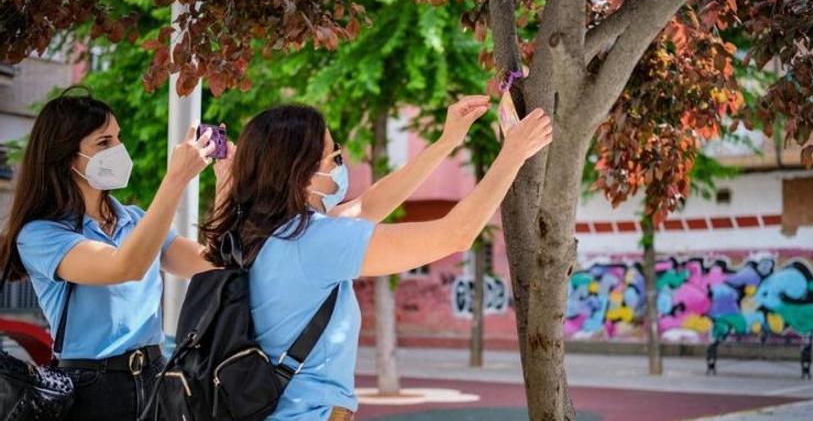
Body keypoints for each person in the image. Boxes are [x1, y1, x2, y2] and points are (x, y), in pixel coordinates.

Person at [200, 96, 552, 421]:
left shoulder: (257, 233)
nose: (341, 161)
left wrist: (446, 142)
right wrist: (513, 153)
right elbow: (456, 234)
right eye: (333, 154)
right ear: (302, 172)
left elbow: (369, 205)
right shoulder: (314, 241)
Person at [0, 87, 228, 420]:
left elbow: (210, 262)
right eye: (103, 143)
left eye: (117, 138)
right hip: (92, 388)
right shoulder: (41, 234)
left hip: (155, 376)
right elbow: (126, 266)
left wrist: (226, 186)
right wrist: (176, 178)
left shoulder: (135, 219)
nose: (119, 149)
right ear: (65, 158)